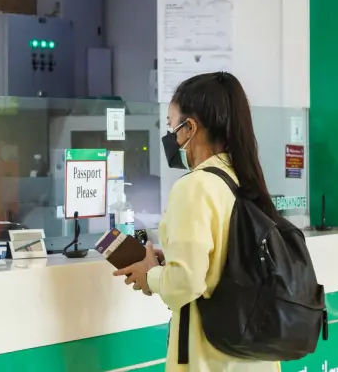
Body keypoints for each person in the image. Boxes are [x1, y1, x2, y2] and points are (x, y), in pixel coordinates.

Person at [113, 72, 281, 372]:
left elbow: (187, 283)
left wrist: (150, 275)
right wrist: (175, 260)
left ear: (190, 128)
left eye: (172, 127)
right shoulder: (243, 178)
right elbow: (226, 261)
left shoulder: (195, 186)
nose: (171, 138)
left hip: (211, 361)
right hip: (255, 360)